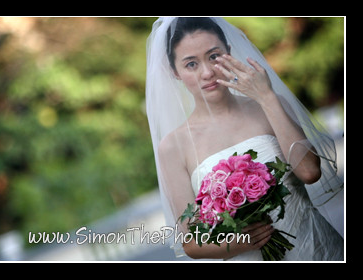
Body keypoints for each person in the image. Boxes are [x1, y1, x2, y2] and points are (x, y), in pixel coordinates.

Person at [146, 17, 344, 261]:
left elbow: (310, 172)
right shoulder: (173, 147)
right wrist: (239, 242)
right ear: (174, 71)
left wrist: (267, 97)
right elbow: (191, 243)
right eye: (191, 64)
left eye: (214, 56)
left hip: (317, 250)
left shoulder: (270, 105)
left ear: (229, 51)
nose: (207, 72)